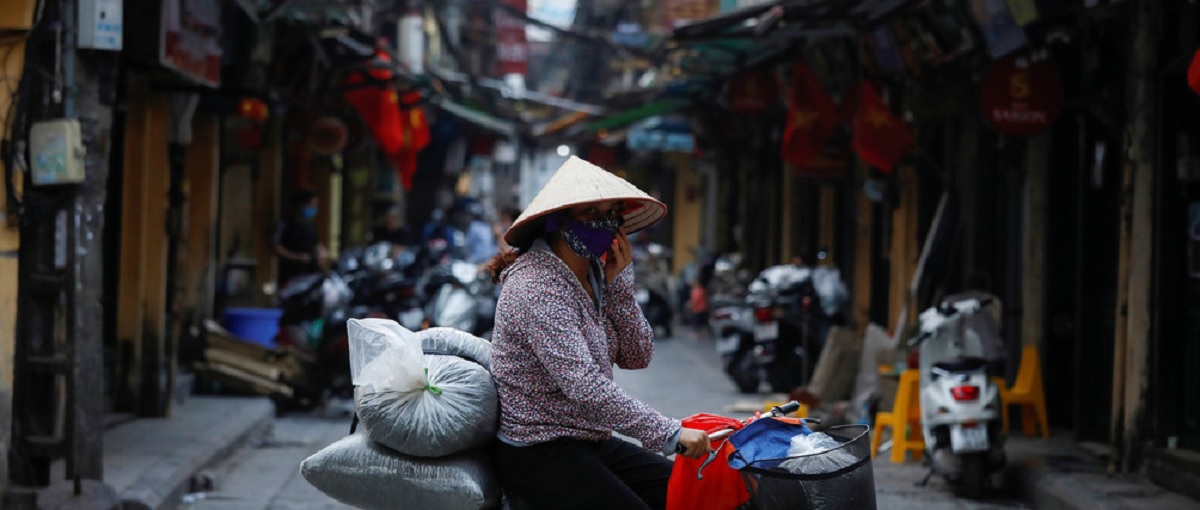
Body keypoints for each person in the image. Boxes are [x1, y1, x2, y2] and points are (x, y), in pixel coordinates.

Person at [485, 156, 712, 510]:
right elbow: (585, 386)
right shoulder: (536, 285)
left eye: (610, 214)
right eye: (590, 213)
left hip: (590, 439)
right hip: (539, 449)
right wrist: (668, 433)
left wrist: (620, 287)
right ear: (559, 221)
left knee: (691, 491)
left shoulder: (594, 274)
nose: (603, 224)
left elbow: (638, 356)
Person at [274, 189, 328, 291]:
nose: (314, 209)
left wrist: (323, 253)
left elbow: (316, 243)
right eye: (311, 205)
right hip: (291, 273)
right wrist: (296, 257)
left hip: (312, 271)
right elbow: (276, 247)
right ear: (300, 205)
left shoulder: (310, 225)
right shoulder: (285, 224)